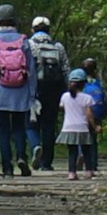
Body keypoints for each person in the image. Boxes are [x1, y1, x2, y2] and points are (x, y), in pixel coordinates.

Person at [0, 10, 38, 175]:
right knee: (19, 127)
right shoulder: (24, 41)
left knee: (3, 130)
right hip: (21, 92)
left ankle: (7, 168)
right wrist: (32, 94)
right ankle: (21, 156)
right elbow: (31, 69)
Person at [26, 15, 68, 169]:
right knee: (49, 125)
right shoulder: (58, 47)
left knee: (30, 123)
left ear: (33, 29)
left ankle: (36, 145)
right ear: (49, 30)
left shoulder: (29, 45)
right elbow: (65, 70)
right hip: (54, 91)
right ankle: (47, 163)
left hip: (34, 90)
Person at [58, 66, 103, 175]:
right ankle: (88, 171)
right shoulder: (87, 98)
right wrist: (95, 126)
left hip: (68, 128)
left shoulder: (65, 96)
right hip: (82, 128)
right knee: (86, 150)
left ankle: (71, 173)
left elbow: (61, 108)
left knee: (72, 152)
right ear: (84, 84)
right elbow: (89, 115)